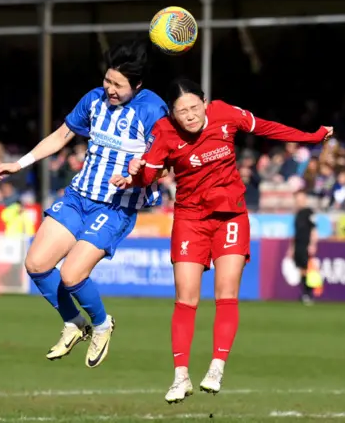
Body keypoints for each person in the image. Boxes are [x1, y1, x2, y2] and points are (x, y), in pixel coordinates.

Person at [110, 78, 332, 402]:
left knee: (225, 293)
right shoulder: (164, 133)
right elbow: (149, 176)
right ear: (172, 114)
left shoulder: (225, 114)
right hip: (189, 219)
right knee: (186, 298)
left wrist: (311, 137)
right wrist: (134, 174)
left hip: (230, 215)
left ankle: (216, 366)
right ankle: (180, 376)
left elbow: (267, 128)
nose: (189, 115)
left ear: (204, 101)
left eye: (194, 107)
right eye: (181, 111)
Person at [0, 39, 167, 368]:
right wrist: (20, 163)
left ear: (138, 85)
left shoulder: (152, 109)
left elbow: (165, 161)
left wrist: (138, 174)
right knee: (37, 264)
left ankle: (102, 325)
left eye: (118, 84)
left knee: (72, 274)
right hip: (78, 197)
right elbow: (61, 137)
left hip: (115, 206)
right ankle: (75, 322)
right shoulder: (93, 100)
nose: (109, 88)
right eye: (107, 80)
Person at [290, 189, 318, 305]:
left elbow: (314, 229)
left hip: (306, 244)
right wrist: (291, 247)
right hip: (298, 244)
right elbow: (295, 232)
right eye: (297, 200)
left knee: (307, 269)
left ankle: (309, 293)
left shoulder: (309, 212)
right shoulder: (297, 213)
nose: (298, 202)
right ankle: (305, 293)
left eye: (300, 199)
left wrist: (312, 244)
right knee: (301, 268)